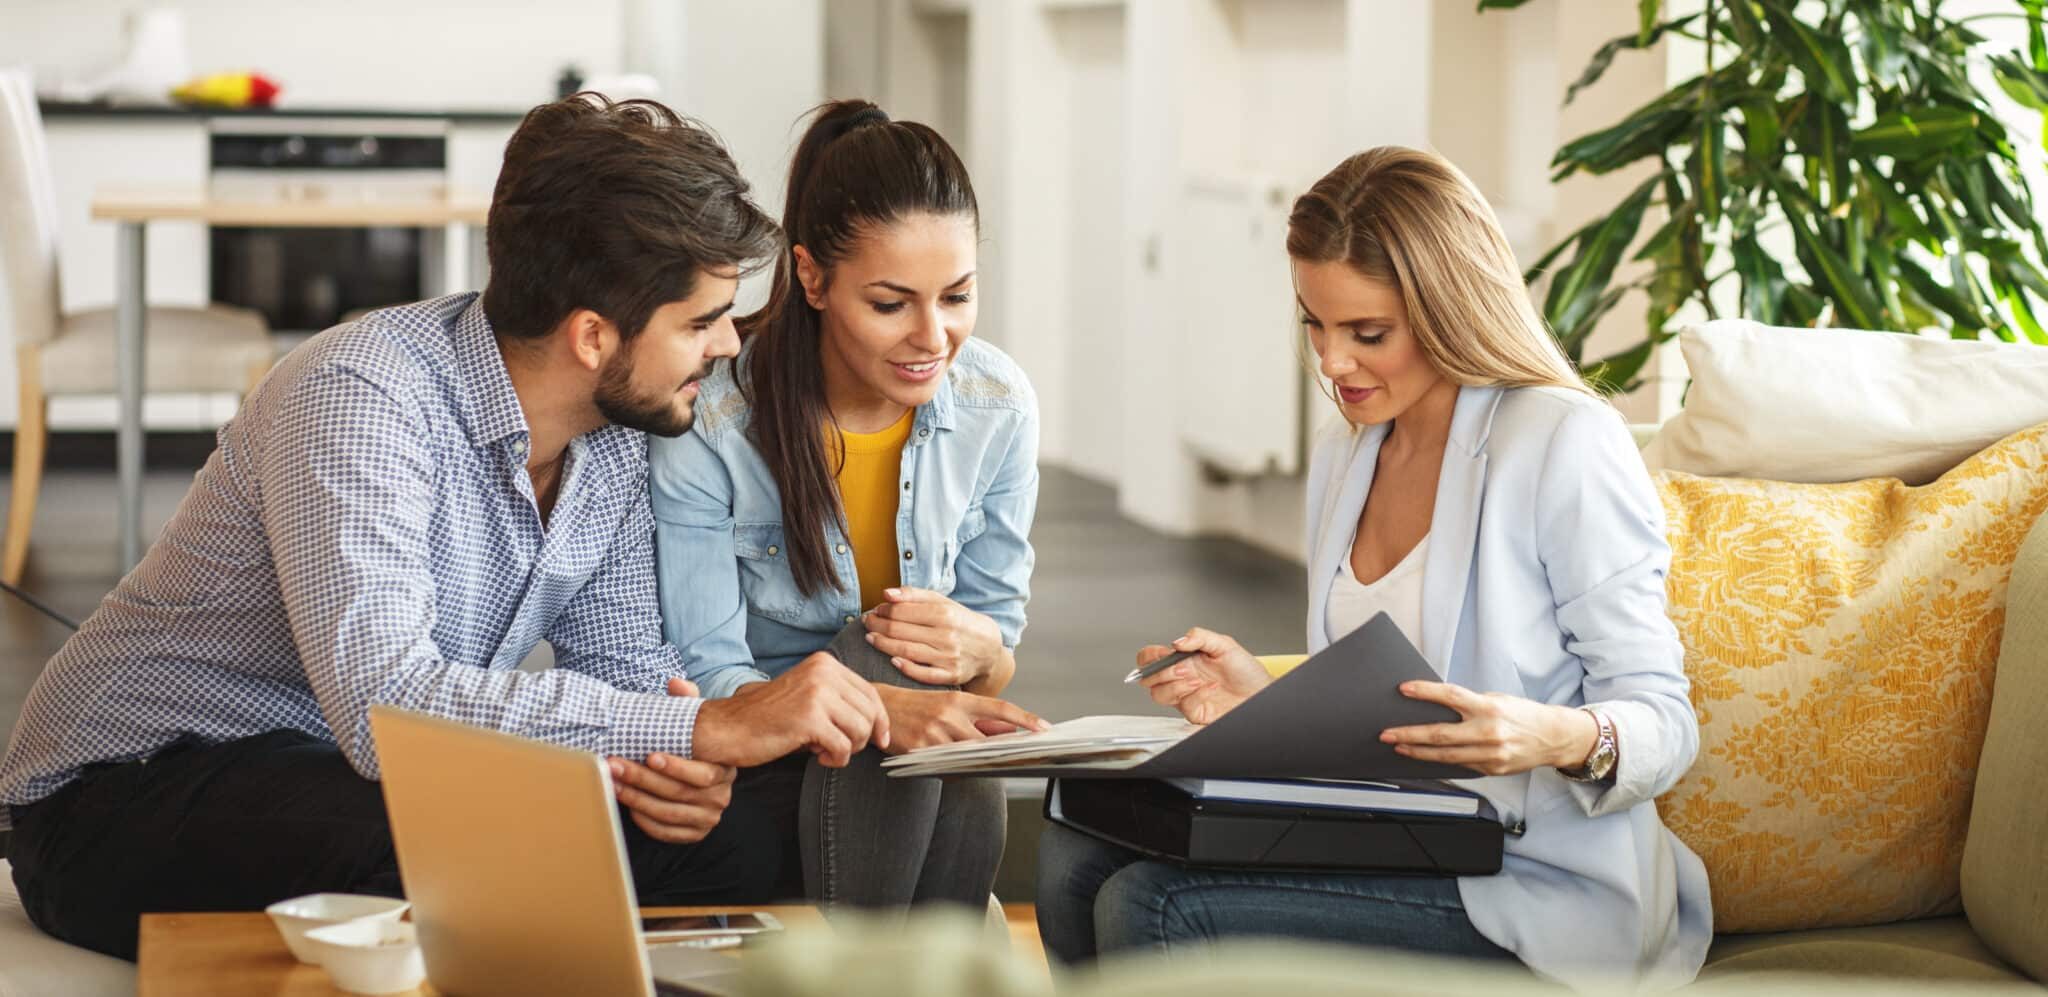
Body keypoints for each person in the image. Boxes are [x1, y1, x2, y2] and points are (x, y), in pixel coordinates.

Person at [0, 94, 893, 961]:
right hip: (122, 791)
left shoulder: (620, 435)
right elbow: (383, 705)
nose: (730, 344)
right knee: (477, 841)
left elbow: (624, 677)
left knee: (748, 835)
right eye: (701, 321)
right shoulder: (360, 394)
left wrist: (672, 766)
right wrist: (703, 731)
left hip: (349, 777)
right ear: (591, 335)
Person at [1035, 147, 1711, 990]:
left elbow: (1665, 721)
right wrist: (1260, 692)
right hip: (1397, 836)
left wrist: (1553, 735)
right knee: (1071, 853)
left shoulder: (1563, 443)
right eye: (1314, 322)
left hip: (1532, 880)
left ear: (1450, 309)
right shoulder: (1347, 453)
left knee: (1155, 904)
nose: (1331, 362)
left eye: (1368, 333)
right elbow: (1385, 694)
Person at [649, 100, 1043, 911]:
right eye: (892, 304)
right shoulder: (716, 420)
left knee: (932, 692)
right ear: (812, 277)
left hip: (916, 765)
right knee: (875, 653)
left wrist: (979, 649)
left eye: (958, 296)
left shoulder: (997, 404)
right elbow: (708, 672)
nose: (933, 336)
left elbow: (993, 659)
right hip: (768, 756)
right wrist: (880, 705)